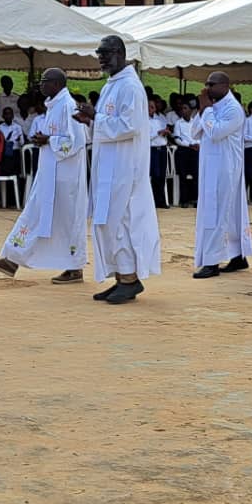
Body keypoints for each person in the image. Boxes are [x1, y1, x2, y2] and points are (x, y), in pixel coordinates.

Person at [74, 36, 160, 304]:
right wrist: (90, 121)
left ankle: (130, 279)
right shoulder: (112, 84)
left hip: (124, 168)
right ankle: (121, 277)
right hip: (109, 167)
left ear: (121, 53)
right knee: (107, 222)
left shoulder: (131, 87)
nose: (101, 58)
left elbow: (129, 126)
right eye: (98, 53)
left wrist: (95, 117)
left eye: (106, 53)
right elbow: (107, 124)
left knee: (121, 221)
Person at [0, 68, 88, 284]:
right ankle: (12, 258)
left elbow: (77, 140)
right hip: (49, 172)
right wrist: (45, 139)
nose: (41, 85)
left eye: (45, 81)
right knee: (35, 213)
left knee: (66, 220)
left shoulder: (68, 106)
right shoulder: (54, 106)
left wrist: (49, 140)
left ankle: (74, 267)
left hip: (64, 177)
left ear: (56, 84)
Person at [191, 72, 252, 279]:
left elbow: (216, 133)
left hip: (225, 168)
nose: (207, 88)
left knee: (217, 212)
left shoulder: (233, 109)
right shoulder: (212, 106)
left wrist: (207, 109)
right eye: (206, 84)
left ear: (225, 85)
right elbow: (194, 132)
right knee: (229, 212)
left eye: (212, 84)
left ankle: (212, 261)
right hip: (210, 167)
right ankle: (238, 255)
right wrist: (203, 109)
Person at [172, 100, 199, 208]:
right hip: (184, 150)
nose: (183, 111)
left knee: (196, 175)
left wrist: (197, 144)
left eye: (185, 108)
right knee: (183, 176)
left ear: (191, 111)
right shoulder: (178, 123)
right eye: (182, 109)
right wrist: (189, 145)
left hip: (195, 150)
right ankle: (184, 200)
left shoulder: (195, 122)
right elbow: (177, 139)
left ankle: (195, 199)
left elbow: (199, 136)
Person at [148, 99, 170, 208]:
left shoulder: (158, 120)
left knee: (162, 175)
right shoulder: (144, 121)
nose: (151, 109)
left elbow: (163, 131)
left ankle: (162, 201)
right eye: (149, 106)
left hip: (162, 148)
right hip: (153, 149)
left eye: (152, 107)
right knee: (155, 175)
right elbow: (146, 137)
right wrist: (158, 133)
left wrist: (165, 132)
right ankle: (155, 201)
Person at [0, 106, 25, 177]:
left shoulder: (18, 127)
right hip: (4, 154)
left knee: (15, 174)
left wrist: (19, 140)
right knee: (4, 174)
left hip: (15, 153)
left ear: (13, 116)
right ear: (3, 116)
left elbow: (22, 143)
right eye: (6, 114)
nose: (8, 116)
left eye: (10, 114)